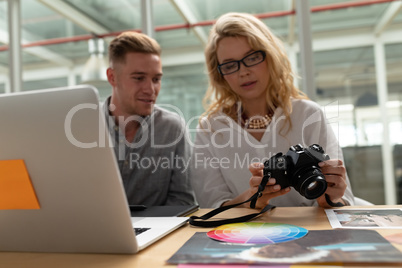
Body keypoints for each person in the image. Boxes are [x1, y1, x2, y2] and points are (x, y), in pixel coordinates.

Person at [190, 12, 354, 208]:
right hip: (242, 236)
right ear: (220, 75)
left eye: (251, 58)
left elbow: (342, 202)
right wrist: (252, 199)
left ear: (271, 57)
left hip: (310, 233)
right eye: (230, 65)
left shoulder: (308, 115)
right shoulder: (210, 129)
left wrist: (330, 196)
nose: (243, 71)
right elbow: (211, 207)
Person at [104, 31, 196, 206]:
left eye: (156, 79)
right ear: (112, 77)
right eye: (139, 78)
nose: (150, 89)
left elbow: (183, 201)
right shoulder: (84, 126)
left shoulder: (172, 128)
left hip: (158, 231)